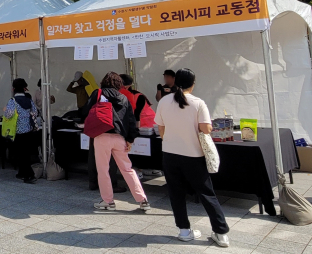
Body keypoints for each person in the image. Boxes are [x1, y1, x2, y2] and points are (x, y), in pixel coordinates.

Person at [155, 68, 230, 247]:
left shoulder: (164, 101)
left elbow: (161, 128)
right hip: (193, 155)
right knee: (206, 193)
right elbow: (206, 129)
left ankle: (184, 230)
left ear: (175, 81)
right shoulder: (198, 103)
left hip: (170, 154)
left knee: (176, 193)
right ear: (193, 84)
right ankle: (220, 232)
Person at [83, 72, 149, 211]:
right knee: (127, 169)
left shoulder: (98, 93)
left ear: (103, 82)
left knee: (103, 170)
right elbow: (131, 120)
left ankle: (108, 201)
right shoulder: (124, 98)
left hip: (101, 136)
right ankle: (142, 200)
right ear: (119, 84)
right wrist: (130, 139)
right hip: (120, 138)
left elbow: (85, 111)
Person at [4, 78, 40, 184]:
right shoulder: (29, 100)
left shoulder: (13, 101)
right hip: (28, 130)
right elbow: (35, 113)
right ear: (24, 88)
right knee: (26, 153)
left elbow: (8, 114)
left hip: (17, 131)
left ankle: (29, 175)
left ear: (13, 89)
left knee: (20, 153)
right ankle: (21, 173)